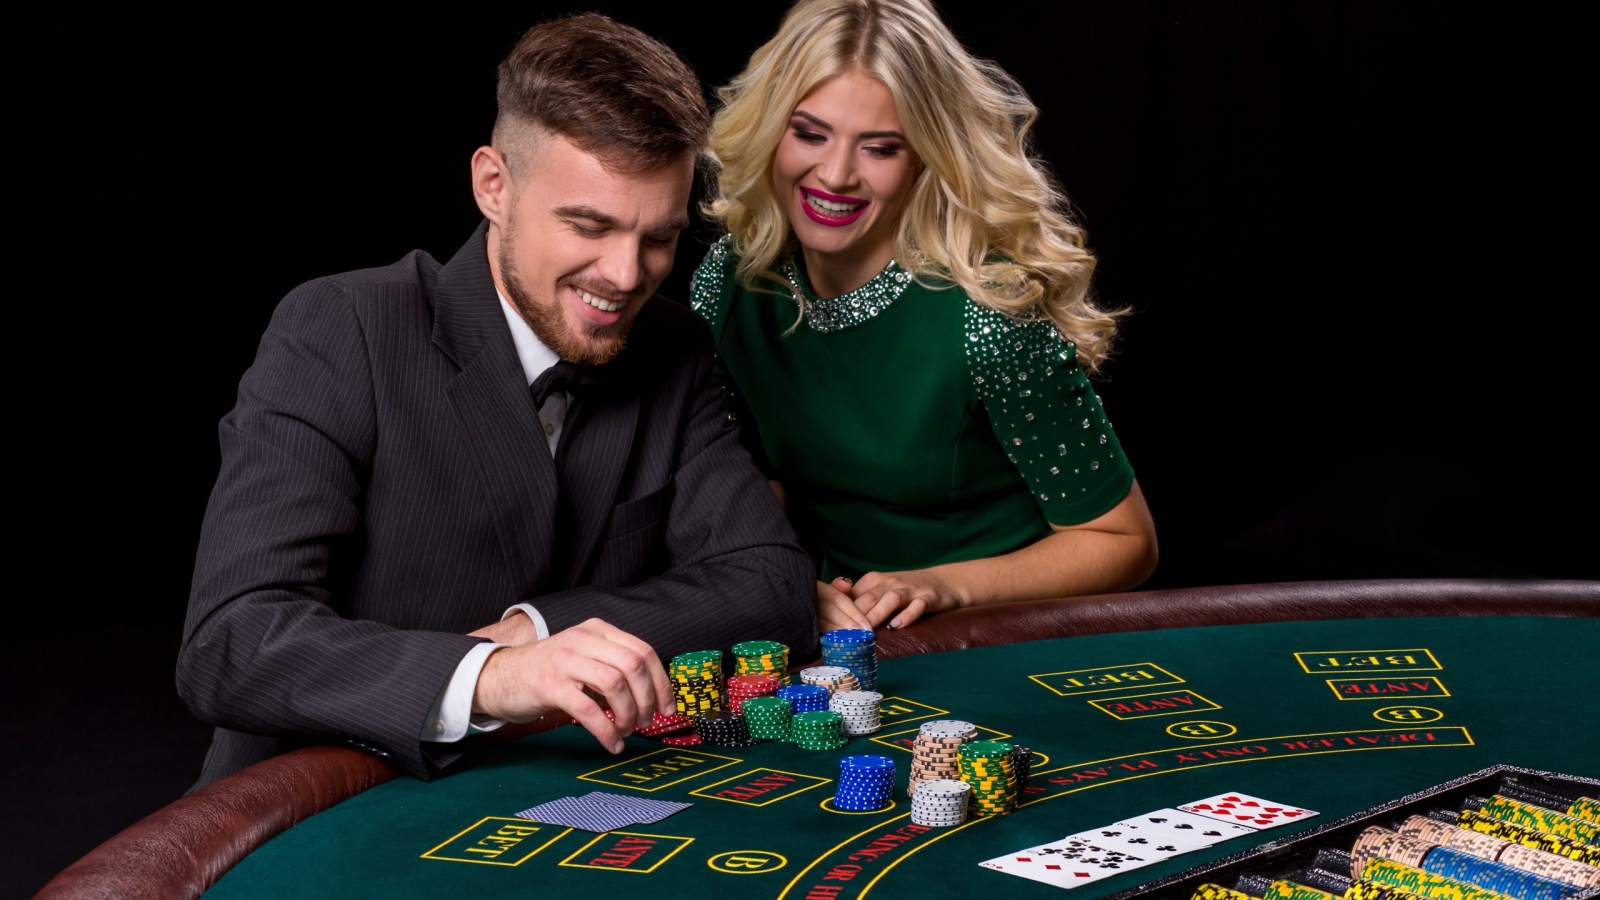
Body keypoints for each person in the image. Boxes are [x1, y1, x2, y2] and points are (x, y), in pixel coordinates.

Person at [177, 14, 816, 787]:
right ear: (493, 186)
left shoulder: (672, 347)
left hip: (552, 791)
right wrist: (492, 675)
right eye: (589, 225)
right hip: (323, 796)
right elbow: (231, 641)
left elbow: (770, 585)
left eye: (659, 237)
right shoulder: (342, 329)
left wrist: (537, 630)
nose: (625, 274)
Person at [692, 0, 1158, 635]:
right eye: (809, 133)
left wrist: (945, 586)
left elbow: (1123, 541)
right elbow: (743, 479)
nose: (834, 175)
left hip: (999, 632)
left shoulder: (986, 314)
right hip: (835, 626)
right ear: (770, 129)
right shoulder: (732, 280)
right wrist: (785, 578)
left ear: (924, 159)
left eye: (880, 148)